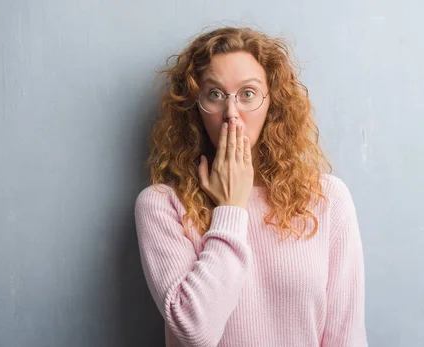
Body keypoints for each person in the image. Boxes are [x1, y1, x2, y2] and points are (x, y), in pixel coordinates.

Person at [134, 26, 368, 347]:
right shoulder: (163, 205)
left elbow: (347, 338)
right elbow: (195, 331)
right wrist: (231, 208)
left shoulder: (328, 199)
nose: (232, 114)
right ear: (195, 108)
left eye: (248, 94)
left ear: (272, 102)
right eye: (215, 94)